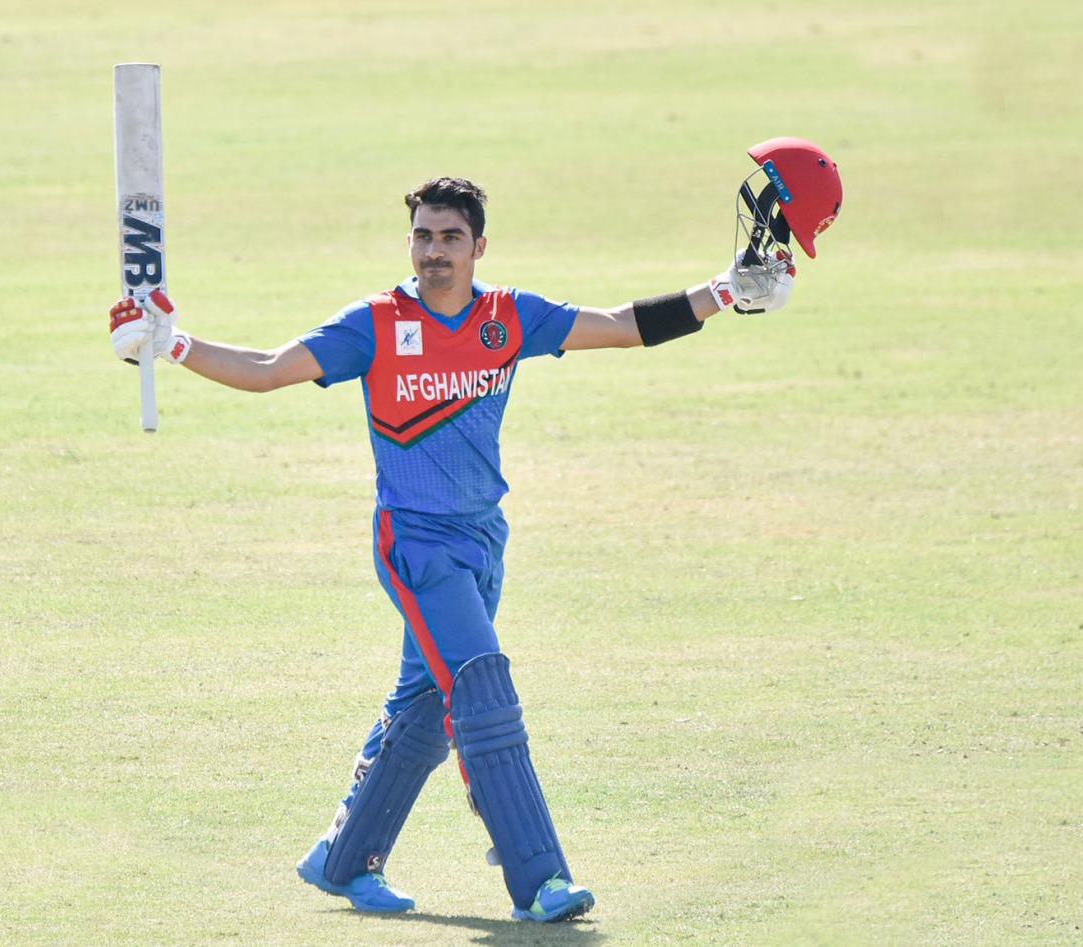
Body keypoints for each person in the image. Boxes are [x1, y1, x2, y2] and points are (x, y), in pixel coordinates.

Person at [108, 144, 841, 924]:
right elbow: (265, 369)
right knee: (482, 688)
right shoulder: (378, 324)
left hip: (484, 539)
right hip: (416, 544)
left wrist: (725, 291)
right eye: (422, 237)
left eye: (449, 238)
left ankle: (343, 857)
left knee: (426, 703)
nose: (433, 252)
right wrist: (169, 344)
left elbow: (620, 326)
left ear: (478, 247)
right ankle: (539, 877)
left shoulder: (508, 318)